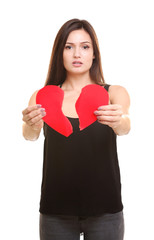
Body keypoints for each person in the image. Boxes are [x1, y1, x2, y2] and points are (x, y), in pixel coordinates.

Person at [22, 19, 130, 240]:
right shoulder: (42, 96)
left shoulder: (114, 93)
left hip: (106, 210)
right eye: (69, 47)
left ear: (94, 54)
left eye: (85, 46)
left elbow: (125, 126)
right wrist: (30, 125)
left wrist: (117, 120)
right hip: (55, 211)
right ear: (59, 53)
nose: (77, 54)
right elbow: (29, 135)